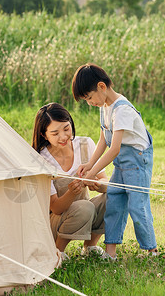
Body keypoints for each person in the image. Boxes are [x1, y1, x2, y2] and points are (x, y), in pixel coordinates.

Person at [72, 63, 158, 261]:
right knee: (114, 202)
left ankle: (152, 251)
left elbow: (115, 148)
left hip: (137, 161)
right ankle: (110, 253)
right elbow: (103, 140)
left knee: (138, 206)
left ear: (102, 86)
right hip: (121, 163)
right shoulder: (105, 107)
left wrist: (93, 174)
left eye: (89, 98)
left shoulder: (122, 110)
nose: (89, 103)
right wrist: (89, 165)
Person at [32, 102, 108, 260]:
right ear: (44, 135)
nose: (63, 137)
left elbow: (105, 182)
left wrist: (97, 184)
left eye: (66, 128)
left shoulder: (85, 144)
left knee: (113, 197)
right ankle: (57, 252)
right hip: (53, 221)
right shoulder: (40, 158)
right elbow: (56, 207)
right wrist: (72, 192)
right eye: (55, 133)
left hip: (84, 211)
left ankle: (90, 246)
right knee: (85, 207)